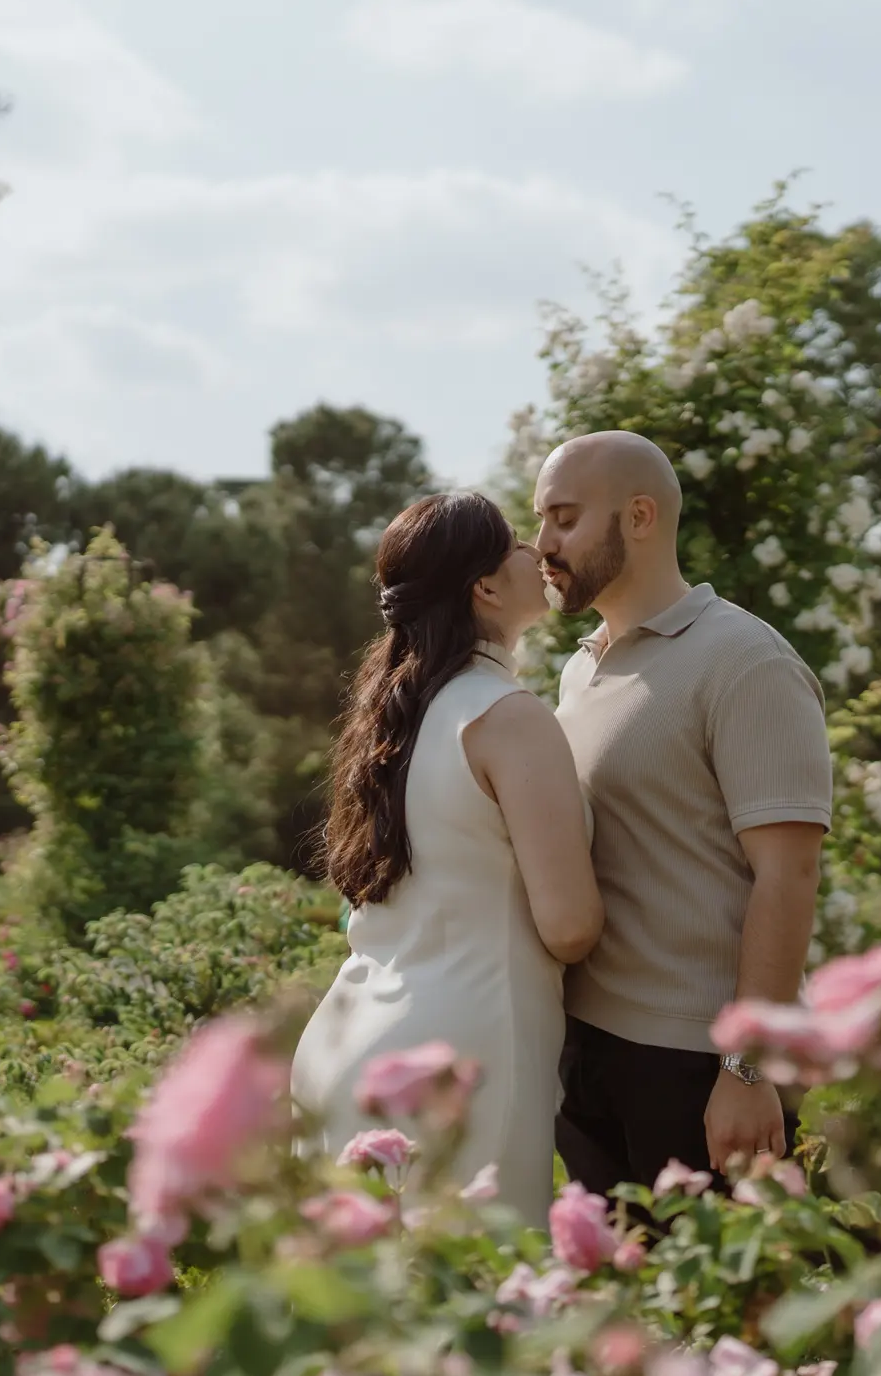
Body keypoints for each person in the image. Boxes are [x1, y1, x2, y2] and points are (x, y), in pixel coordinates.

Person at [533, 430, 832, 1194]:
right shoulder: (580, 667)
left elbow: (790, 871)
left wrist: (747, 1065)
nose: (544, 542)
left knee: (724, 1312)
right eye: (542, 520)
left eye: (564, 518)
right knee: (617, 1311)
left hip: (693, 1069)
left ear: (639, 517)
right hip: (586, 1054)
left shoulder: (745, 659)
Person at [291, 491, 602, 1226]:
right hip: (462, 1057)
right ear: (487, 586)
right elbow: (570, 928)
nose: (538, 553)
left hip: (348, 1042)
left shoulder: (395, 716)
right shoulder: (508, 717)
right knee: (473, 1311)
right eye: (520, 544)